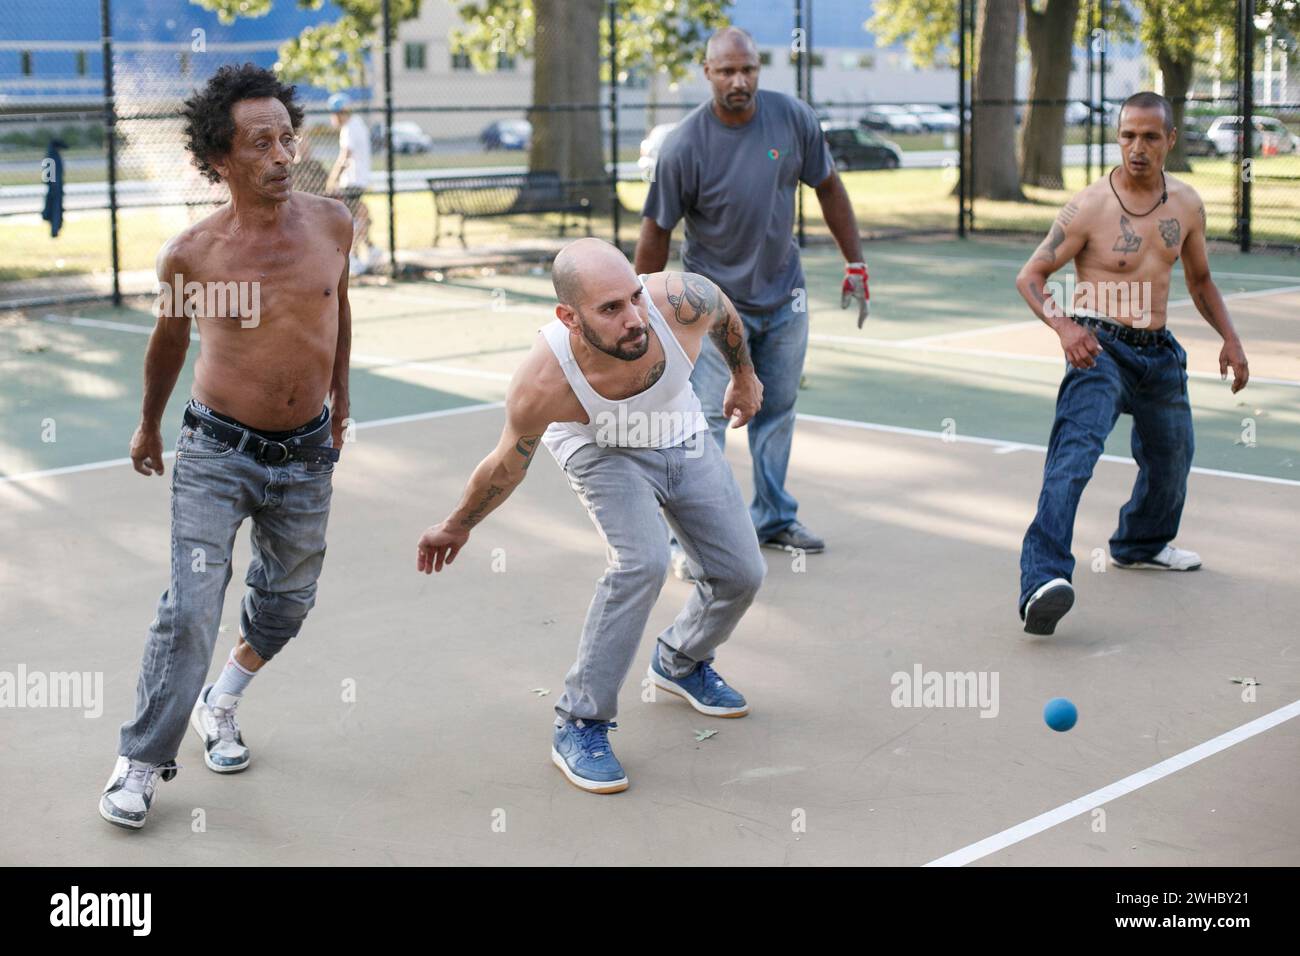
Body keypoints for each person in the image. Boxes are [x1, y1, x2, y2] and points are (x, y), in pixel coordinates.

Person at [415, 238, 766, 794]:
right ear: (569, 318)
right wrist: (457, 524)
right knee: (642, 563)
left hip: (679, 431)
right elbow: (506, 466)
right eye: (610, 309)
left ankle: (681, 659)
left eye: (633, 297)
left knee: (742, 573)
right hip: (598, 446)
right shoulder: (544, 384)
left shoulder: (677, 301)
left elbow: (722, 309)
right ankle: (580, 721)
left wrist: (743, 376)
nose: (634, 319)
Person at [99, 64, 353, 828]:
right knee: (193, 608)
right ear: (219, 160)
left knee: (285, 605)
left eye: (287, 137)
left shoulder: (334, 222)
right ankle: (142, 760)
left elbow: (338, 308)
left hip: (306, 451)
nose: (282, 155)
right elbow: (168, 345)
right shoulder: (193, 255)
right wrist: (148, 424)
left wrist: (343, 400)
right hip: (217, 450)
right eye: (259, 143)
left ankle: (224, 701)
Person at [634, 26, 869, 577]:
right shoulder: (685, 146)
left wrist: (855, 262)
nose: (739, 81)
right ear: (707, 72)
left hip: (785, 297)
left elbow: (829, 187)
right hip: (711, 307)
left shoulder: (792, 119)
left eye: (748, 70)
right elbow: (656, 229)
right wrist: (640, 309)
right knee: (705, 422)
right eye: (727, 72)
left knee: (777, 409)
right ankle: (699, 539)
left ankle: (773, 518)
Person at [1014, 91, 1249, 636]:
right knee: (1072, 460)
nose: (1136, 148)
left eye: (1149, 136)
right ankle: (1041, 581)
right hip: (1099, 348)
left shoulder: (1186, 204)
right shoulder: (1089, 206)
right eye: (1127, 135)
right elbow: (1030, 276)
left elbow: (1200, 280)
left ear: (1171, 139)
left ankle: (1140, 542)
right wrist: (1065, 327)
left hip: (1159, 353)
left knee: (1173, 459)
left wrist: (1231, 339)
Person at [325, 92, 378, 275]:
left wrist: (333, 178)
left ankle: (353, 258)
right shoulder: (358, 124)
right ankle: (371, 249)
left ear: (340, 113)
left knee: (353, 220)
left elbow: (345, 155)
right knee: (361, 215)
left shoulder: (349, 128)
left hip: (352, 182)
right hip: (359, 180)